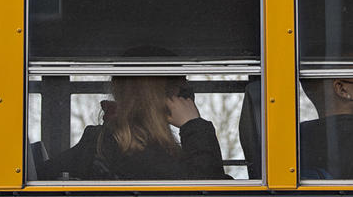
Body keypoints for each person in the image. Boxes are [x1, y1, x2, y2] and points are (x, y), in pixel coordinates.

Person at [39, 75, 228, 181]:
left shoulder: (101, 142)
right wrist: (193, 125)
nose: (188, 100)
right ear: (160, 97)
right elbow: (207, 195)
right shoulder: (144, 152)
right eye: (183, 92)